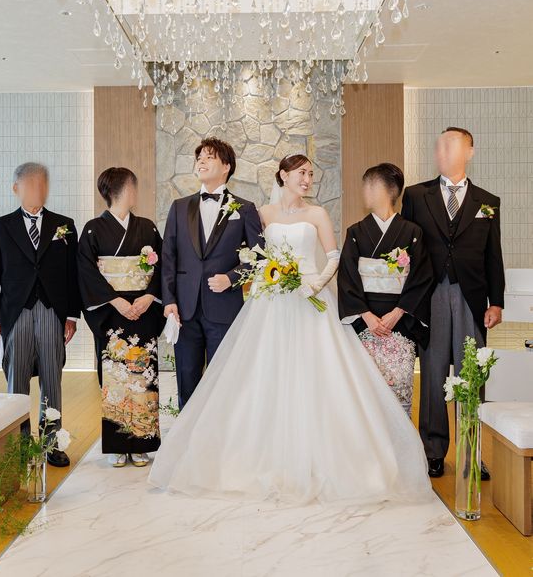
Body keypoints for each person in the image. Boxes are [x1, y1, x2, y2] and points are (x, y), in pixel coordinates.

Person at [148, 154, 433, 505]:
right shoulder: (262, 214)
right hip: (271, 301)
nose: (307, 179)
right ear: (283, 176)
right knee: (263, 375)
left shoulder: (318, 214)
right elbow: (254, 255)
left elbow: (333, 257)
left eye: (311, 174)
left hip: (310, 300)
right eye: (301, 173)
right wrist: (267, 275)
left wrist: (315, 284)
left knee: (317, 376)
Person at [402, 127, 505, 479]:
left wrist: (496, 301)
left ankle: (471, 454)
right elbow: (406, 248)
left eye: (451, 145)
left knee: (471, 376)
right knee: (432, 376)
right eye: (439, 146)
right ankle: (433, 452)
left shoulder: (488, 202)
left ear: (469, 152)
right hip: (430, 296)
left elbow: (493, 256)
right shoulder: (416, 196)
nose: (442, 151)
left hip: (471, 298)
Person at [0, 162, 80, 467]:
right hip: (15, 313)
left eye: (42, 184)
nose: (38, 189)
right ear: (16, 188)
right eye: (31, 184)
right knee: (17, 381)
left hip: (52, 311)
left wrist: (72, 315)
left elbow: (72, 273)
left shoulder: (65, 225)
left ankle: (52, 443)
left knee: (52, 378)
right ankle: (20, 445)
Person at [161, 137, 263, 409]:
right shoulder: (179, 207)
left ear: (226, 166)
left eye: (209, 157)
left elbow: (261, 258)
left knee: (224, 381)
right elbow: (168, 257)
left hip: (224, 308)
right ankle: (188, 433)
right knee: (187, 379)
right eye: (199, 158)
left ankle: (221, 433)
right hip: (185, 310)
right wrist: (169, 301)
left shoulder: (245, 209)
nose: (201, 162)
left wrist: (231, 278)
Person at [78, 167, 164, 468]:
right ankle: (117, 444)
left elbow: (162, 266)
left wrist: (149, 296)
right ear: (125, 190)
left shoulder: (148, 228)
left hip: (143, 310)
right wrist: (115, 300)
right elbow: (86, 272)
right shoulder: (92, 229)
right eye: (134, 187)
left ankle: (141, 442)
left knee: (143, 375)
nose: (135, 192)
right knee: (114, 375)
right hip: (111, 313)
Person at [338, 163, 433, 417]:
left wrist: (398, 312)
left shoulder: (412, 233)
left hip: (400, 324)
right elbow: (348, 278)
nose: (364, 192)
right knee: (365, 396)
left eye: (367, 186)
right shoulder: (356, 233)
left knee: (398, 392)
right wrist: (367, 316)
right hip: (365, 324)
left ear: (382, 190)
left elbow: (421, 278)